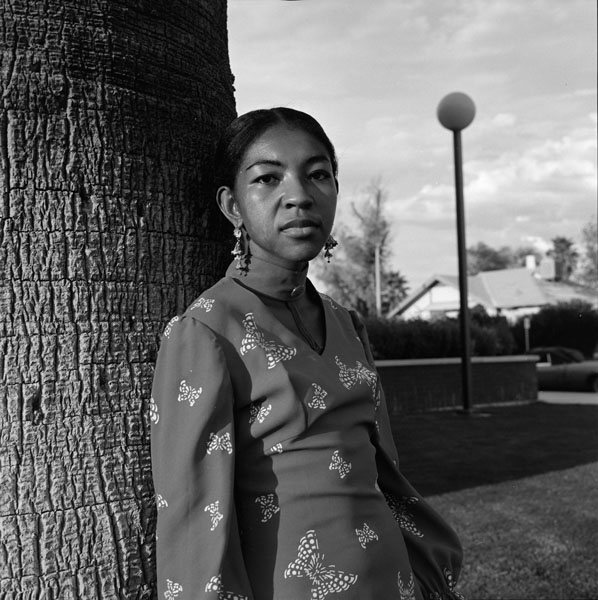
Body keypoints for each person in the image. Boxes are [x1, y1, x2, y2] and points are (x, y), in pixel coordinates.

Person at [150, 107, 464, 600]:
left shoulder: (346, 323)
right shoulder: (207, 330)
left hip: (394, 580)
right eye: (268, 179)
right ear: (233, 207)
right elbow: (194, 512)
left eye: (318, 175)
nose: (298, 195)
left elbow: (386, 471)